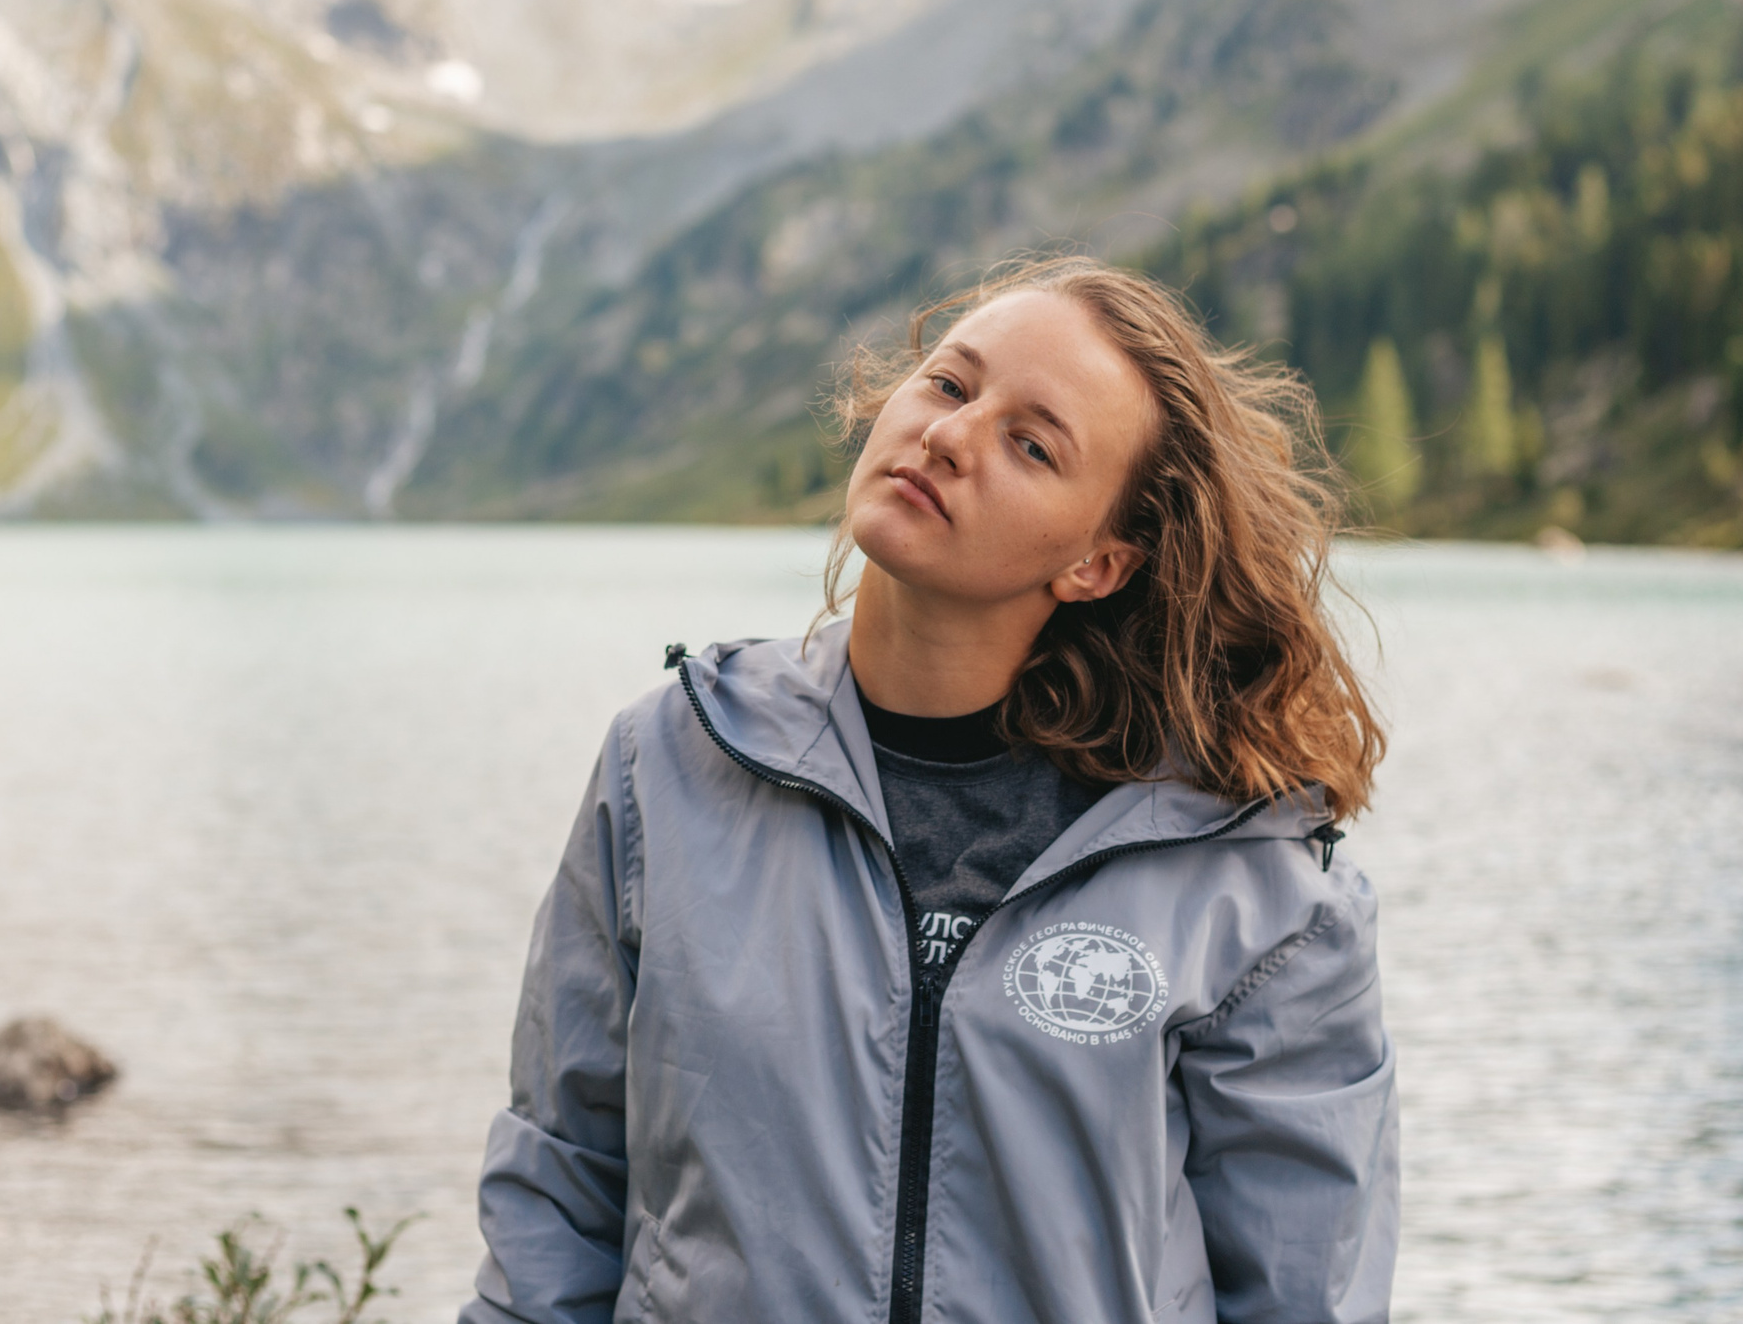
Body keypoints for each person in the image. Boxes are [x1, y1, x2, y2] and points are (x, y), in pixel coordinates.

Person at [461, 256, 1397, 1324]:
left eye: (1030, 444)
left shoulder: (1245, 878)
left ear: (1097, 562)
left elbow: (1302, 1292)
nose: (949, 436)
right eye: (950, 386)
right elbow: (558, 1182)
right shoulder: (669, 762)